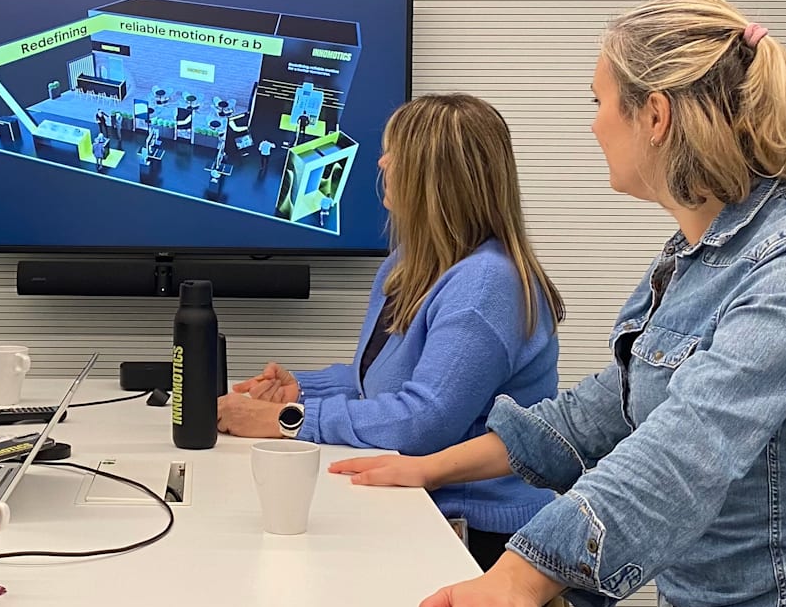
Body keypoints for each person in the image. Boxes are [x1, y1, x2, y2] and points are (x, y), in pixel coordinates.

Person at [333, 0, 786, 607]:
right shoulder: (692, 258)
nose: (593, 123)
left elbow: (688, 447)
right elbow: (601, 412)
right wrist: (428, 468)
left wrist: (522, 573)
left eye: (599, 102)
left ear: (654, 116)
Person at [219, 93, 563, 569]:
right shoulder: (409, 264)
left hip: (477, 537)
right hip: (417, 507)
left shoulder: (487, 284)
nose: (382, 163)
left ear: (434, 175)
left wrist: (287, 419)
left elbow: (422, 422)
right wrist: (303, 388)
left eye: (395, 153)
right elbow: (383, 382)